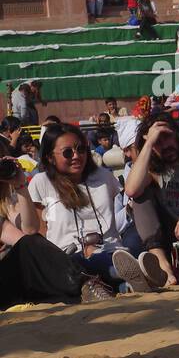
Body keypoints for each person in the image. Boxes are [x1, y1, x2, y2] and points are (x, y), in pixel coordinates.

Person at [28, 123, 162, 292]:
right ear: (49, 157)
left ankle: (127, 284)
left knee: (109, 259)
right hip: (67, 257)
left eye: (81, 149)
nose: (76, 156)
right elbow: (41, 234)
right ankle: (135, 275)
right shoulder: (41, 182)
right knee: (80, 263)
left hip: (112, 251)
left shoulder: (104, 176)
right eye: (67, 152)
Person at [0, 140, 113, 306]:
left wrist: (20, 185)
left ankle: (90, 286)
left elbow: (29, 233)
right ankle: (88, 283)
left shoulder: (6, 203)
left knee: (31, 243)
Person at [123, 113, 179, 286]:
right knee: (140, 197)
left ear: (178, 135)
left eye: (167, 137)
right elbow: (131, 189)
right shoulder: (153, 172)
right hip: (165, 234)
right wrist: (148, 144)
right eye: (157, 142)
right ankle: (163, 268)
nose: (164, 145)